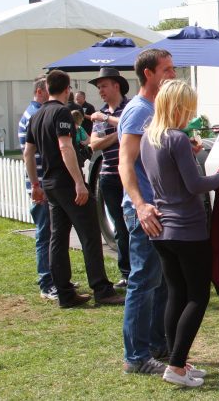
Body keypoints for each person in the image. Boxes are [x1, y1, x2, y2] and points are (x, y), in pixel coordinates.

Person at [141, 80, 219, 387]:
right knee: (197, 296)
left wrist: (189, 155)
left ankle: (178, 360)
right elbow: (194, 186)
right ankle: (176, 366)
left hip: (162, 230)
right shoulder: (176, 138)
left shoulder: (149, 138)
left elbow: (170, 176)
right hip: (187, 228)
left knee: (176, 294)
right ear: (178, 107)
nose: (191, 113)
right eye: (189, 107)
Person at [23, 69, 124, 309]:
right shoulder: (62, 112)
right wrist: (79, 182)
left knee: (57, 238)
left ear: (47, 88)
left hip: (49, 183)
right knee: (89, 235)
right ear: (67, 89)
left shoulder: (36, 116)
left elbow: (28, 153)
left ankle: (65, 292)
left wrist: (35, 183)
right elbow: (65, 147)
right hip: (66, 181)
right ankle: (102, 289)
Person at [117, 48, 177, 375]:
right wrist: (140, 206)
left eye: (173, 68)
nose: (173, 74)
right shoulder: (139, 111)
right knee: (144, 280)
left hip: (161, 209)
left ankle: (156, 344)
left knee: (162, 281)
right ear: (148, 74)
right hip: (146, 212)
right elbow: (125, 162)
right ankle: (136, 357)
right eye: (167, 70)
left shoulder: (156, 109)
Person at [89, 67, 132, 288]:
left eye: (103, 86)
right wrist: (121, 134)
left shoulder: (130, 107)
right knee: (119, 226)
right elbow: (93, 143)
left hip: (130, 174)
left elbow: (133, 126)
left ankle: (141, 268)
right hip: (108, 175)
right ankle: (126, 272)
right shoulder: (100, 112)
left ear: (117, 85)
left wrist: (110, 122)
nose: (101, 91)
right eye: (98, 88)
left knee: (135, 222)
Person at [18, 77, 55, 300]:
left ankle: (54, 277)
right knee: (44, 234)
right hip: (40, 183)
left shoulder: (34, 112)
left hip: (41, 182)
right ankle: (46, 282)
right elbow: (28, 154)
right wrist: (35, 185)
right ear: (40, 92)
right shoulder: (34, 115)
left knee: (50, 233)